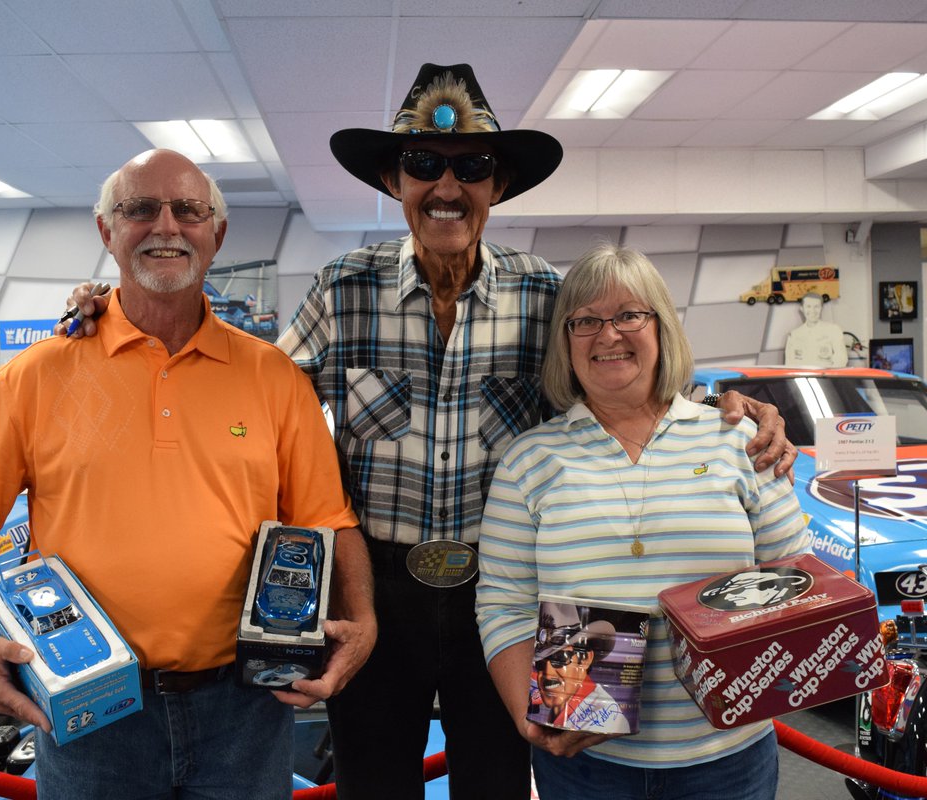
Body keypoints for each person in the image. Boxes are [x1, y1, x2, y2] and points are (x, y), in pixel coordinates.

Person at [57, 64, 796, 800]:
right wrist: (123, 307)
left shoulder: (542, 292)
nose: (447, 187)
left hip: (504, 590)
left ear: (497, 186)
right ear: (394, 182)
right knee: (372, 785)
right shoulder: (345, 287)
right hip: (374, 588)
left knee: (499, 785)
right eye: (424, 166)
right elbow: (245, 388)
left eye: (470, 167)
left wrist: (728, 408)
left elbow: (620, 372)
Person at [0, 149, 375, 800]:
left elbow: (328, 520)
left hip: (246, 711)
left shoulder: (273, 377)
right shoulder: (33, 377)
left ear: (215, 234)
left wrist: (363, 618)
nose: (166, 226)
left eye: (188, 209)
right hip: (91, 715)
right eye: (138, 209)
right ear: (107, 231)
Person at [477, 243, 810, 800]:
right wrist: (526, 713)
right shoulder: (528, 461)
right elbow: (505, 603)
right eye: (585, 321)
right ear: (565, 340)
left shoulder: (737, 440)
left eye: (629, 314)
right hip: (586, 763)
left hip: (726, 756)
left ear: (661, 328)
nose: (608, 335)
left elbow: (799, 579)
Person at [530, 619, 629, 734]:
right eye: (540, 662)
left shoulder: (605, 719)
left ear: (585, 659)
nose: (548, 672)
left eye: (560, 658)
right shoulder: (562, 710)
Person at [785, 292, 846, 367]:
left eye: (816, 306)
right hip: (801, 376)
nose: (812, 310)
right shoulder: (794, 335)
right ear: (802, 309)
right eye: (808, 306)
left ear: (821, 308)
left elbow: (841, 360)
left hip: (826, 376)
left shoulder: (834, 330)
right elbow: (789, 364)